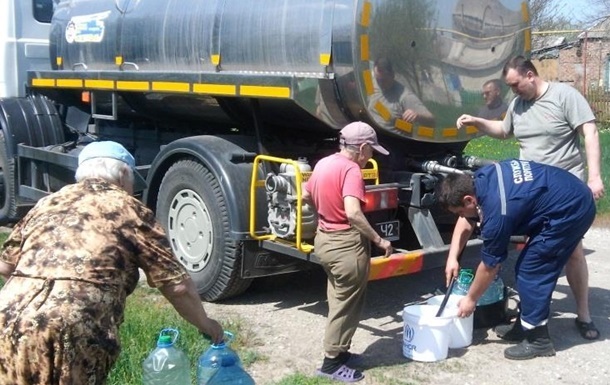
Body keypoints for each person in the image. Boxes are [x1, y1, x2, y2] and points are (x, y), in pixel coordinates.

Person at [0, 141, 224, 385]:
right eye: (132, 183)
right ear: (123, 175)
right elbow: (177, 286)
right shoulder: (130, 209)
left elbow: (6, 267)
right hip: (72, 327)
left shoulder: (46, 203)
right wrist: (207, 325)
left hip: (6, 315)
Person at [454, 55, 605, 340]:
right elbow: (503, 131)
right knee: (533, 259)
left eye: (515, 84)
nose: (513, 91)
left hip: (563, 192)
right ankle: (529, 321)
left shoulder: (564, 96)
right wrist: (477, 122)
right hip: (530, 195)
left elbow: (590, 131)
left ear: (530, 75)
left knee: (572, 252)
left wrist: (594, 176)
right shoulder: (518, 105)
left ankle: (583, 315)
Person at [438, 159, 596, 360]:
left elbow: (490, 266)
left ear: (469, 200)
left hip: (572, 210)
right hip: (564, 193)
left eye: (460, 211)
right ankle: (525, 324)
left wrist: (470, 299)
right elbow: (466, 219)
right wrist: (453, 257)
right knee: (527, 267)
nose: (461, 215)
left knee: (532, 270)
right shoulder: (479, 180)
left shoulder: (497, 212)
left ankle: (538, 340)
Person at [303, 122, 393, 382]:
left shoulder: (323, 163)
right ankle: (331, 364)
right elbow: (353, 212)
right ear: (362, 148)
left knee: (338, 297)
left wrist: (327, 208)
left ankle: (340, 352)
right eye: (372, 151)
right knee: (346, 304)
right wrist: (378, 239)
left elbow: (306, 194)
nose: (371, 157)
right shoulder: (352, 170)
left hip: (325, 240)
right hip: (345, 244)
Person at [368, 58, 436, 127]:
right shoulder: (373, 83)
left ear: (392, 75)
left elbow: (432, 121)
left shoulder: (405, 96)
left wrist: (418, 116)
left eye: (384, 80)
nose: (380, 83)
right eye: (378, 80)